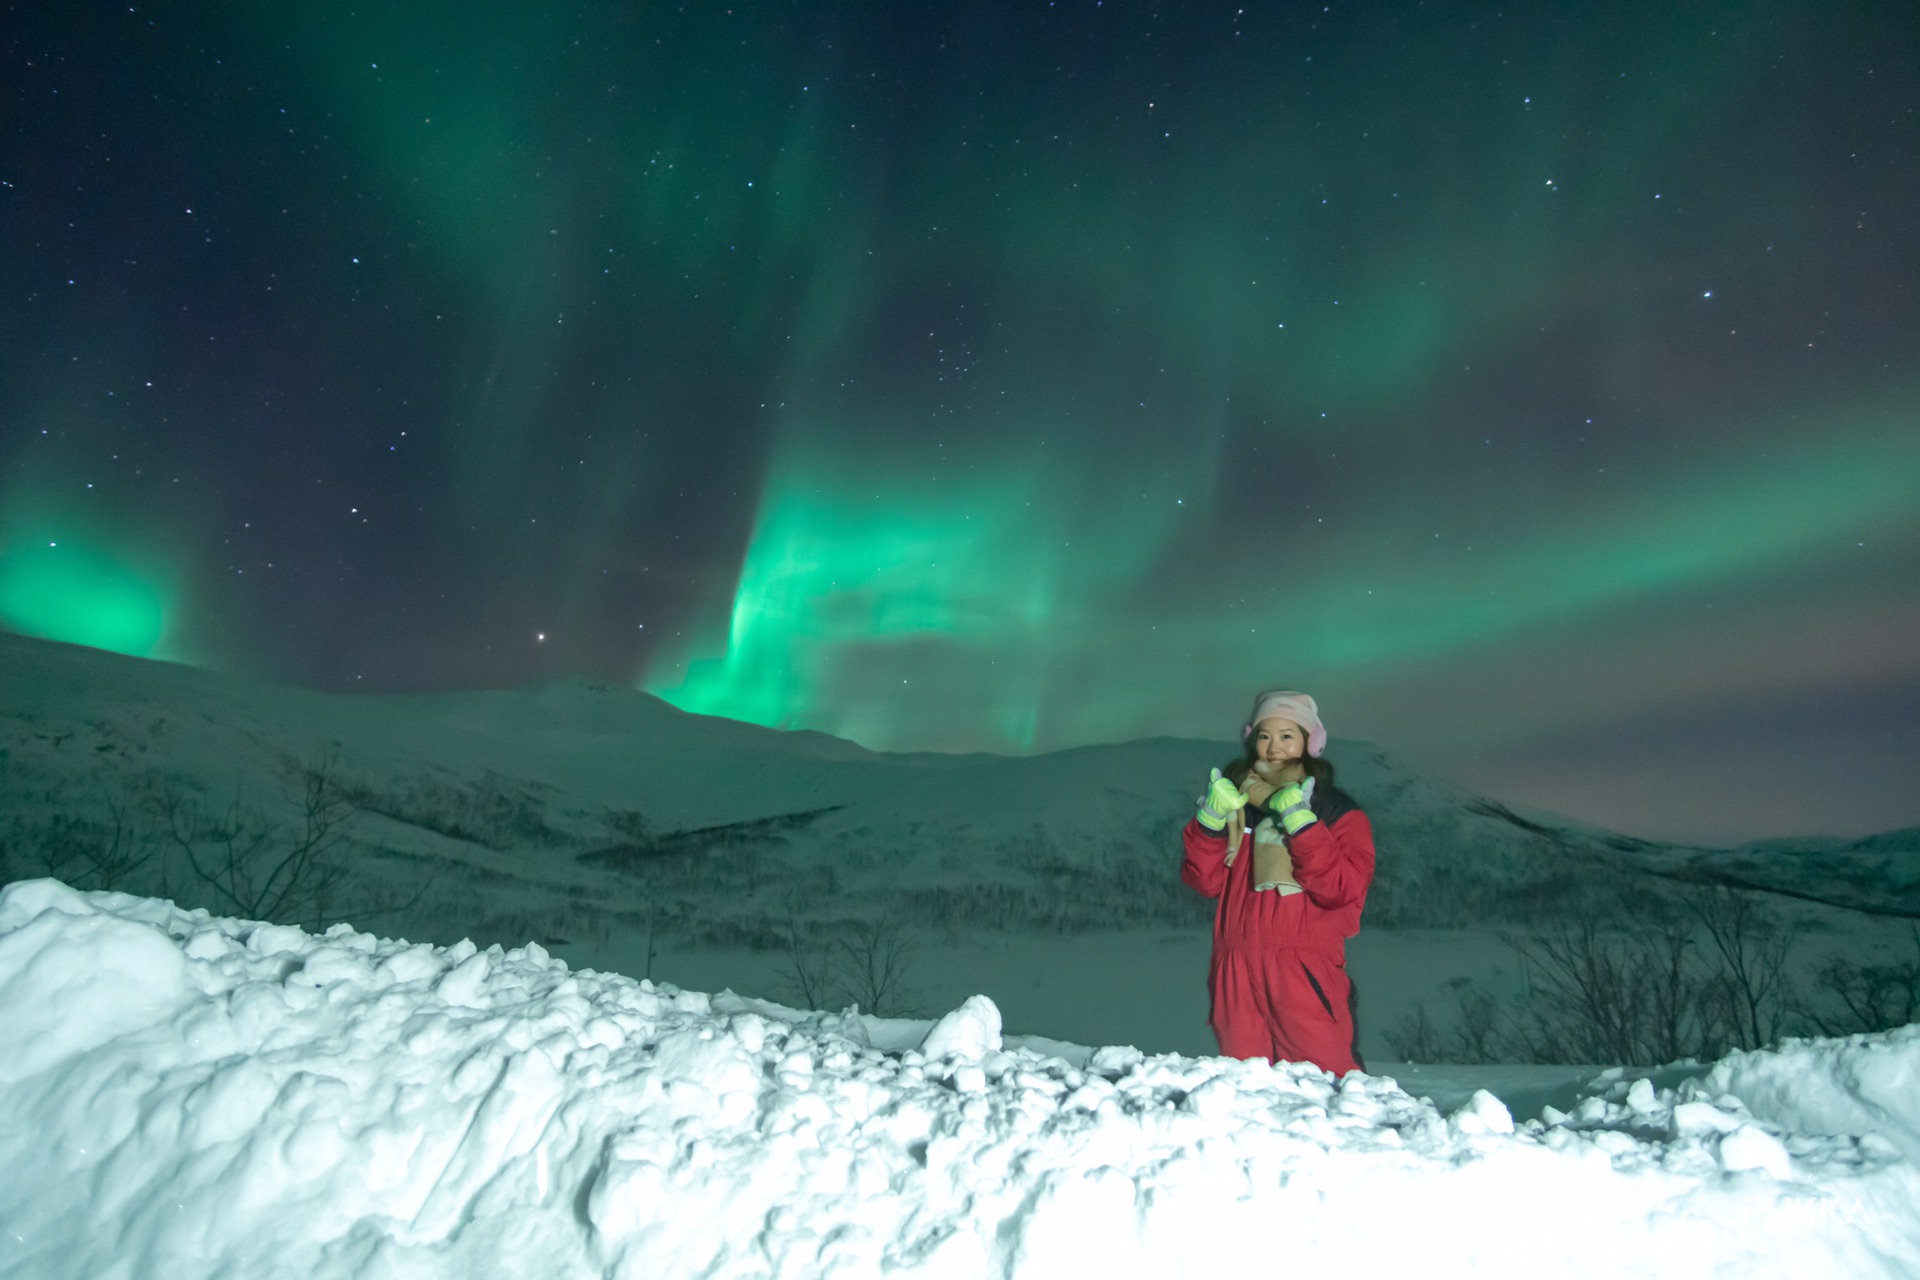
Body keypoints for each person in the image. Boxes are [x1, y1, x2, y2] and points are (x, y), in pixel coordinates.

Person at [1180, 689, 1375, 1076]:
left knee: (1324, 1080)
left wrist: (1302, 824)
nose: (1274, 747)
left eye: (1287, 735)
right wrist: (1210, 822)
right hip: (1235, 967)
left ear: (1310, 742)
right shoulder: (1238, 803)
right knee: (1248, 1087)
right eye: (1265, 735)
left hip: (1303, 967)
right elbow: (1204, 881)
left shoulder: (1336, 811)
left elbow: (1343, 889)